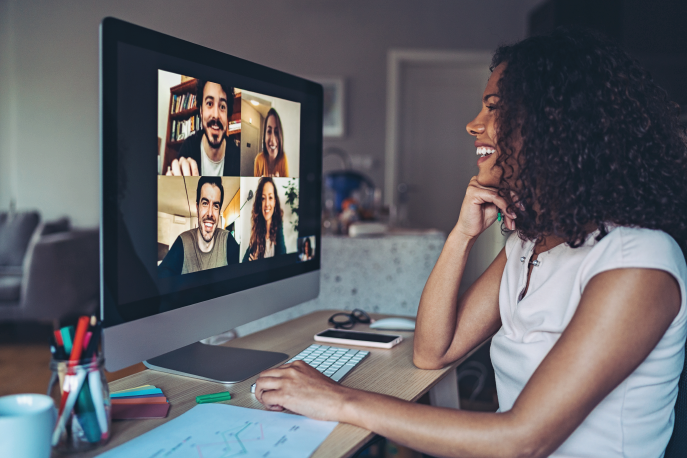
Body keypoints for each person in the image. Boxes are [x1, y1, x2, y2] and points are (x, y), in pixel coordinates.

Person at [253, 28, 687, 458]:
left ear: (553, 124)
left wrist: (338, 400)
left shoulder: (638, 261)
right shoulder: (530, 243)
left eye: (494, 108)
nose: (472, 124)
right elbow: (432, 351)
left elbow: (522, 440)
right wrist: (461, 235)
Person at [159, 177, 239, 276]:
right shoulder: (183, 242)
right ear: (197, 208)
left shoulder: (227, 240)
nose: (210, 213)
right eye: (205, 203)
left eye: (215, 206)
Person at [166, 80, 240, 176]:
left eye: (222, 106)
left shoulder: (237, 156)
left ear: (227, 116)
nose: (216, 115)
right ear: (201, 111)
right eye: (209, 104)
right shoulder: (188, 147)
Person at [243, 177, 286, 261]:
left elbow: (282, 260)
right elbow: (243, 262)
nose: (266, 204)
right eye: (263, 198)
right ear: (259, 203)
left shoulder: (278, 225)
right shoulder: (257, 230)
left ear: (274, 201)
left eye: (270, 198)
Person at [253, 108, 290, 177]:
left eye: (276, 132)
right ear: (264, 135)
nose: (272, 140)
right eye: (269, 131)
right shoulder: (258, 160)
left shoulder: (284, 159)